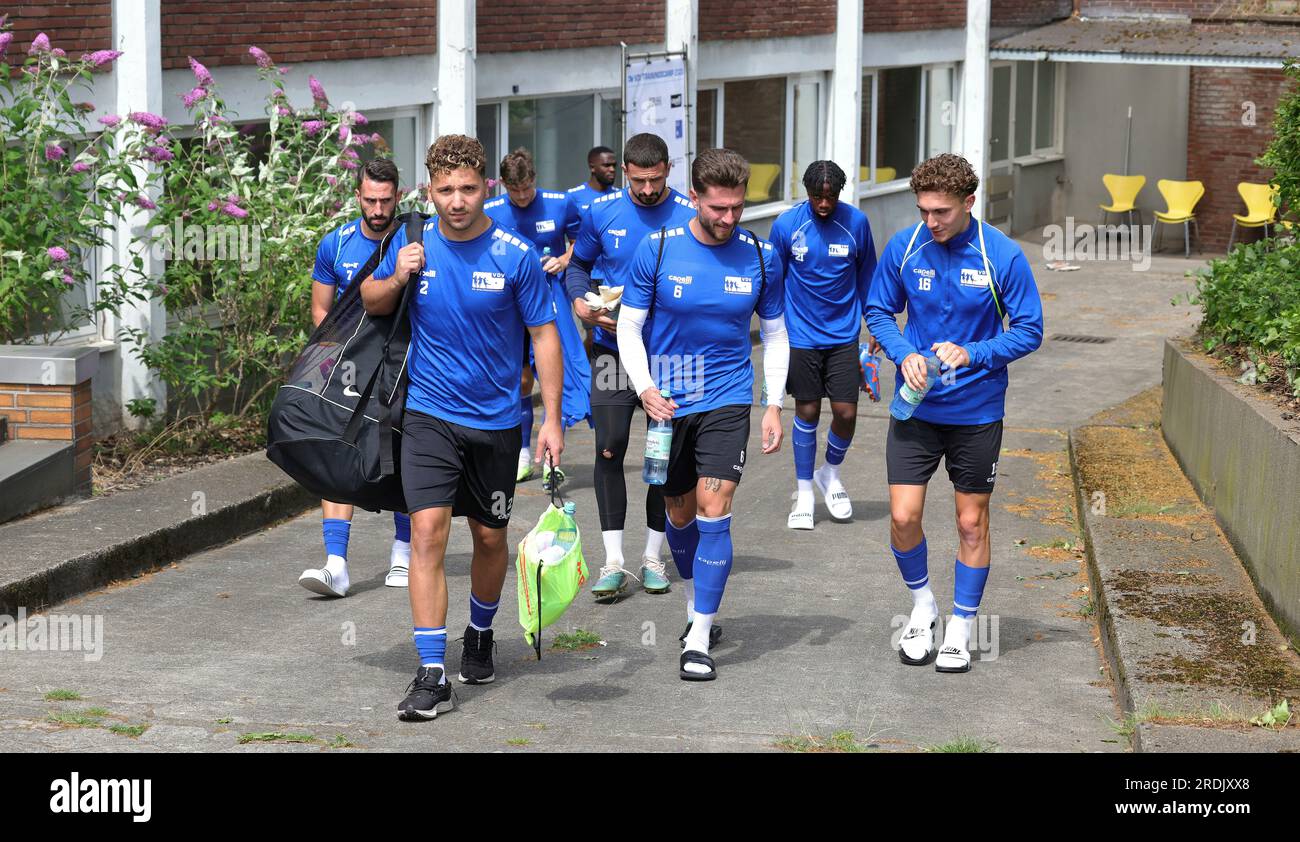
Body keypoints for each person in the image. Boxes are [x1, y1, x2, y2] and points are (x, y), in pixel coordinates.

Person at [361, 135, 565, 720]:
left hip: (498, 422)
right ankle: (431, 674)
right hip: (428, 414)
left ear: (486, 188)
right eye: (445, 190)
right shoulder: (411, 239)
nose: (456, 200)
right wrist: (397, 274)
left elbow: (544, 336)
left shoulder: (515, 255)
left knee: (489, 537)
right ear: (429, 190)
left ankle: (479, 630)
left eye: (468, 189)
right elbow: (371, 301)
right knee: (426, 533)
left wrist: (550, 420)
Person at [864, 153, 1043, 673]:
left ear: (969, 202)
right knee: (903, 516)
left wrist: (974, 352)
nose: (931, 221)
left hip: (977, 409)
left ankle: (961, 627)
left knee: (970, 522)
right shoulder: (905, 246)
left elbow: (1029, 329)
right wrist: (903, 353)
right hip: (916, 407)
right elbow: (878, 310)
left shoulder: (1001, 255)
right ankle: (924, 606)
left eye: (941, 211)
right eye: (923, 210)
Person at [617, 147, 788, 681]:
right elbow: (628, 325)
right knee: (680, 513)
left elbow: (777, 334)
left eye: (737, 208)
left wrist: (773, 403)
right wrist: (644, 389)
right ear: (694, 198)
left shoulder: (761, 256)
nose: (728, 219)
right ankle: (697, 603)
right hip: (667, 401)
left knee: (716, 505)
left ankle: (697, 635)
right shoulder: (659, 248)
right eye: (718, 209)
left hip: (727, 398)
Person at [564, 133, 696, 599]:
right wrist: (579, 300)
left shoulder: (689, 214)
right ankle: (614, 561)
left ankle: (652, 556)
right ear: (624, 172)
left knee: (664, 456)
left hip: (672, 356)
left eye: (655, 180)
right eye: (637, 181)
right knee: (609, 447)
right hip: (611, 348)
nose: (645, 190)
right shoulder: (601, 213)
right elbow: (577, 266)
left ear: (668, 170)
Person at [298, 157, 412, 597]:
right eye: (371, 200)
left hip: (404, 361)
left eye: (386, 200)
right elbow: (321, 311)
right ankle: (336, 565)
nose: (379, 209)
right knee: (336, 450)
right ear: (358, 197)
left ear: (398, 196)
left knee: (401, 451)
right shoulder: (336, 243)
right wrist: (322, 367)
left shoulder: (412, 239)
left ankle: (402, 557)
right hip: (348, 365)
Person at [768, 161, 878, 531]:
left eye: (831, 196)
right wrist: (776, 331)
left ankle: (829, 473)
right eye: (818, 196)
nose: (825, 204)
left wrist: (875, 322)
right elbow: (774, 280)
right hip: (800, 335)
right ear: (807, 192)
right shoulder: (786, 225)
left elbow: (867, 276)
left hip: (844, 335)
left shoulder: (857, 223)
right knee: (808, 410)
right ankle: (803, 493)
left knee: (846, 412)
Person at [484, 148, 589, 490]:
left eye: (527, 188)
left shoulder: (561, 203)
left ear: (534, 179)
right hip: (510, 304)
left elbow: (582, 244)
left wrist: (563, 259)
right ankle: (523, 453)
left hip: (548, 299)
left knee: (554, 375)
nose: (522, 196)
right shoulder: (491, 211)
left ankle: (552, 455)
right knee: (521, 380)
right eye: (514, 191)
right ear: (503, 186)